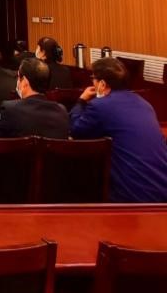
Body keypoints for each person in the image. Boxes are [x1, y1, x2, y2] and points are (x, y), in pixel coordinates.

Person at [70, 57, 167, 202]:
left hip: (134, 197)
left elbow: (76, 130)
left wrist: (81, 101)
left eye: (93, 79)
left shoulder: (99, 106)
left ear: (102, 84)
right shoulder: (145, 104)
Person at [0, 57, 69, 139]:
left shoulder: (10, 109)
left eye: (18, 77)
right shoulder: (61, 112)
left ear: (25, 82)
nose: (17, 81)